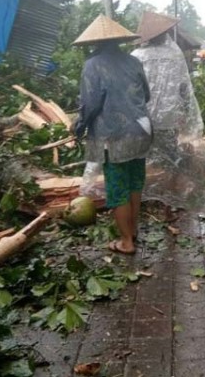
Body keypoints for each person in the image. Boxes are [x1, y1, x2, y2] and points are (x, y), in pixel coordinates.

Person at [72, 14, 152, 254]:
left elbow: (90, 104)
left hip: (113, 135)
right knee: (134, 183)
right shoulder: (134, 62)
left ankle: (126, 242)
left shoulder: (92, 65)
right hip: (141, 130)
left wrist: (79, 125)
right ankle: (133, 230)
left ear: (94, 43)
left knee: (117, 189)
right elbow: (146, 95)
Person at [131, 11, 205, 221]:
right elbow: (184, 89)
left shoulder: (135, 57)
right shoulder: (174, 56)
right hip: (168, 121)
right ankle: (168, 207)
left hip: (141, 120)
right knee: (170, 161)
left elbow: (131, 90)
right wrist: (186, 113)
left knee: (139, 161)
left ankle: (139, 205)